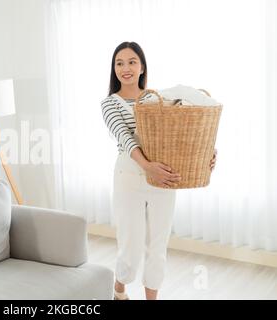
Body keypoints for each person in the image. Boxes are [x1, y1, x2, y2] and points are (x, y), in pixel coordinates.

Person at [100, 41, 217, 300]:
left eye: (132, 62)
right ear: (114, 69)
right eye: (119, 63)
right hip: (130, 176)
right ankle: (119, 288)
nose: (126, 68)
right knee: (130, 246)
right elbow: (125, 138)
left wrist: (208, 153)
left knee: (157, 245)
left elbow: (183, 133)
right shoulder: (110, 103)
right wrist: (147, 167)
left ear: (142, 66)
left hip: (163, 178)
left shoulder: (157, 99)